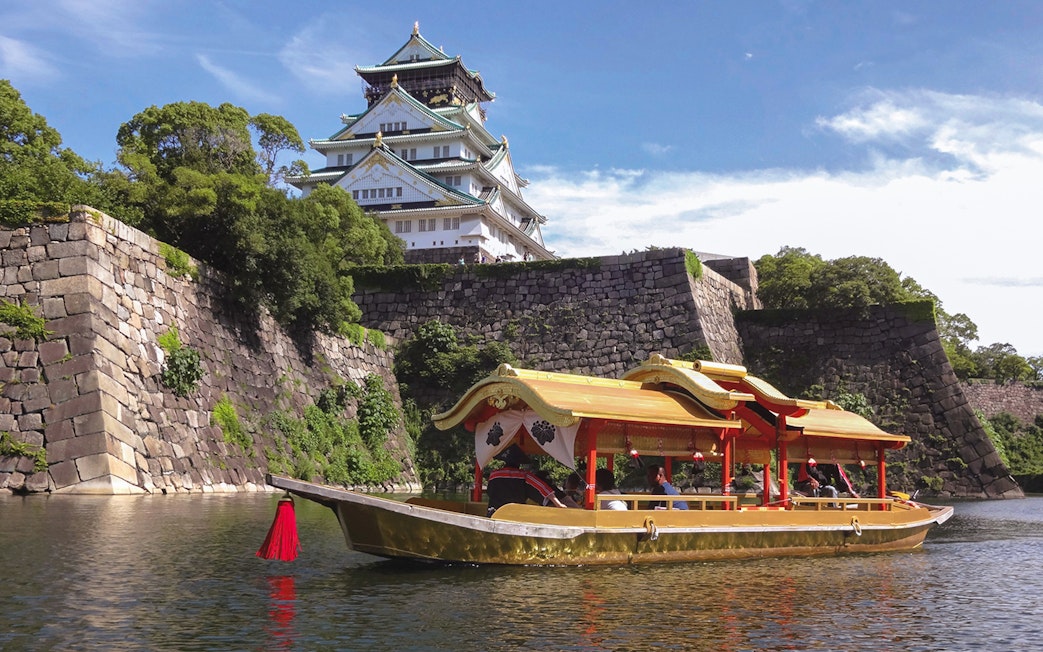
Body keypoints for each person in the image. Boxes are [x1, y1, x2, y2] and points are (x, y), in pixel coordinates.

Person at [486, 445, 568, 516]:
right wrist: (559, 504)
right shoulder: (524, 475)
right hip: (515, 515)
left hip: (494, 513)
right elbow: (543, 488)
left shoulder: (494, 475)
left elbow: (489, 492)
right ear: (519, 462)